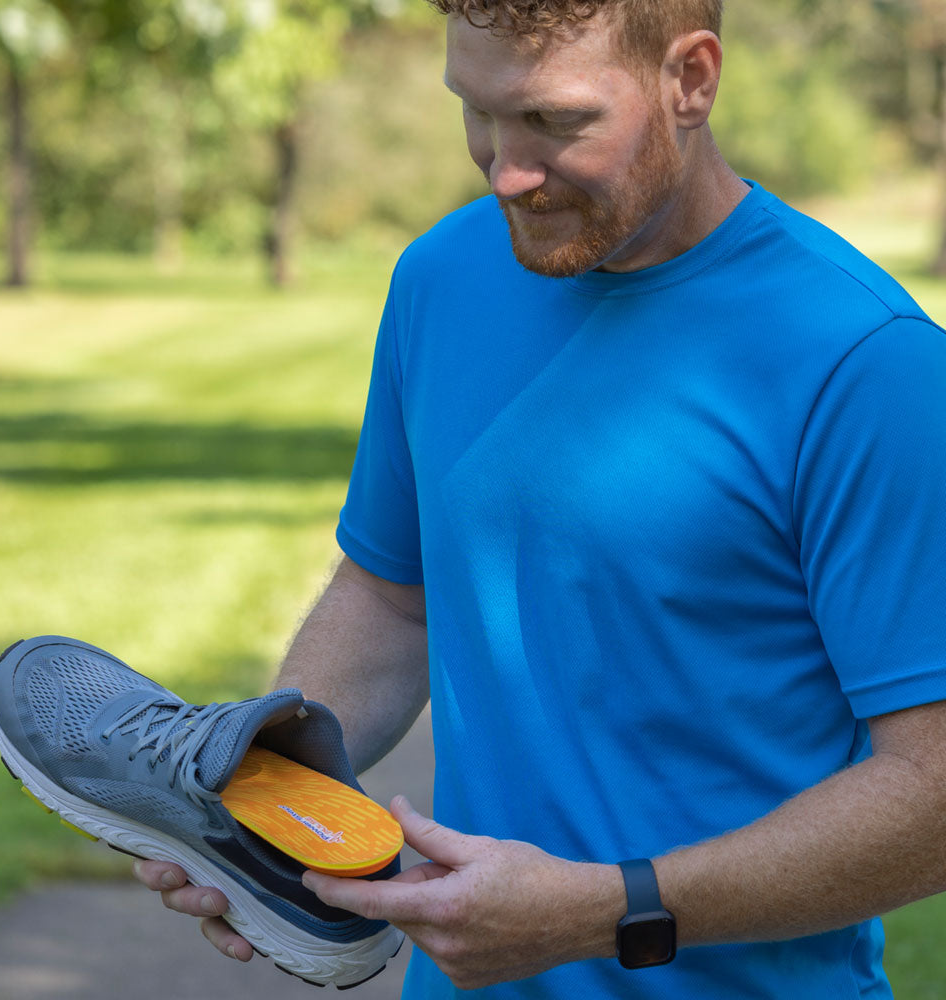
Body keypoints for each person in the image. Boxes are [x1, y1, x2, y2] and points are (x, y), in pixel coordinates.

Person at [133, 1, 946, 997]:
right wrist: (260, 806)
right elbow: (394, 594)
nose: (504, 169)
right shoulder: (443, 276)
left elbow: (932, 790)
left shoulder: (864, 361)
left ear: (689, 80)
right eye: (474, 112)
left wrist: (609, 910)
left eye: (553, 124)